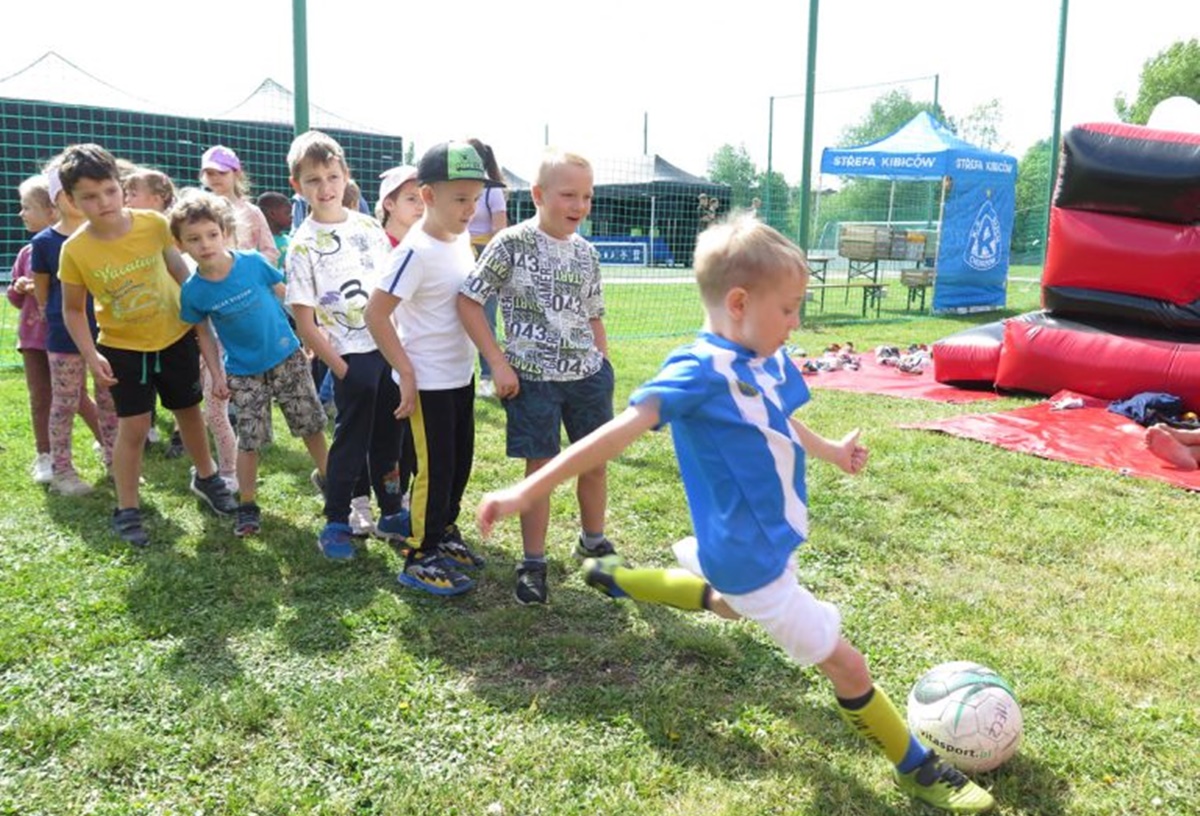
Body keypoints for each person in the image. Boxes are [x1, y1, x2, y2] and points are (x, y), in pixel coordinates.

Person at [476, 214, 996, 814]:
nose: (797, 322)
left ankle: (613, 577)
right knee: (847, 664)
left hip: (763, 544)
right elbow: (615, 434)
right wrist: (526, 490)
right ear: (740, 302)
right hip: (748, 558)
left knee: (725, 605)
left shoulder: (764, 354)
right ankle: (917, 768)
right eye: (790, 309)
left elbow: (776, 415)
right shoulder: (699, 371)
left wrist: (827, 449)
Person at [56, 143, 238, 547]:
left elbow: (180, 273)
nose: (102, 202)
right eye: (88, 196)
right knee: (134, 426)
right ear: (71, 200)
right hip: (123, 349)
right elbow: (72, 310)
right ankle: (128, 508)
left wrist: (205, 314)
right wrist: (91, 353)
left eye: (108, 190)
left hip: (175, 338)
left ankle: (207, 479)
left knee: (189, 412)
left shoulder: (154, 225)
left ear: (120, 187)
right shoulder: (75, 251)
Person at [459, 149, 616, 605]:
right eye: (568, 195)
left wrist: (602, 362)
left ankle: (594, 542)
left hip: (586, 377)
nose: (579, 205)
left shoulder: (587, 253)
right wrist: (498, 363)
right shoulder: (509, 243)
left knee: (595, 462)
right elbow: (470, 301)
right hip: (532, 379)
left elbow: (594, 314)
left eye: (586, 196)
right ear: (538, 194)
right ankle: (533, 562)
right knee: (540, 470)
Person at [365, 140, 498, 596]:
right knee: (435, 469)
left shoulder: (460, 239)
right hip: (427, 384)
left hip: (460, 375)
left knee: (459, 462)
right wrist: (406, 372)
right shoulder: (413, 252)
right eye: (459, 199)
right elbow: (375, 314)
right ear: (427, 196)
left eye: (475, 198)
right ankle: (420, 555)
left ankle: (443, 532)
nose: (469, 209)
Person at [175, 190, 330, 536]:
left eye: (212, 235)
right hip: (243, 373)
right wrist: (216, 375)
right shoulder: (193, 291)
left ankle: (330, 484)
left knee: (311, 426)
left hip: (286, 357)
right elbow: (203, 335)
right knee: (250, 440)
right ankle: (247, 504)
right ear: (181, 244)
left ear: (225, 231)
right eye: (194, 239)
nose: (205, 244)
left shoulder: (252, 263)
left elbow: (288, 297)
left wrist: (312, 335)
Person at [284, 129, 408, 560]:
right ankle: (337, 519)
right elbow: (304, 319)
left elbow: (391, 293)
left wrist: (400, 351)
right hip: (349, 359)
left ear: (345, 177)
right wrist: (342, 369)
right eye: (313, 180)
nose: (325, 187)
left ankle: (391, 509)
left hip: (389, 352)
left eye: (332, 176)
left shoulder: (370, 229)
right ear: (297, 186)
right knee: (351, 441)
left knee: (390, 436)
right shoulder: (302, 245)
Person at [31, 162, 118, 497]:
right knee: (65, 401)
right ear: (61, 197)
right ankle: (62, 470)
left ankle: (115, 462)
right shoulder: (45, 242)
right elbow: (43, 290)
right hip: (64, 337)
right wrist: (50, 314)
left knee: (109, 400)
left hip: (108, 333)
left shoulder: (103, 237)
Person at [6, 175, 59, 483]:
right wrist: (19, 287)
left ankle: (109, 448)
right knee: (39, 396)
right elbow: (14, 299)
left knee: (75, 398)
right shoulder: (26, 254)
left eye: (27, 207)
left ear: (52, 210)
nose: (21, 214)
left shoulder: (67, 248)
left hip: (61, 339)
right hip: (31, 340)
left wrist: (41, 287)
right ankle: (45, 456)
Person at [465, 138, 508, 399]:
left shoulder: (493, 191)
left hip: (484, 255)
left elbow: (499, 230)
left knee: (485, 317)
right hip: (458, 251)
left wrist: (482, 259)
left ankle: (487, 377)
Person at [200, 145, 279, 265]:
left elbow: (270, 251)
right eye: (210, 173)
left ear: (236, 173)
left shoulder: (252, 212)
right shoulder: (199, 211)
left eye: (222, 172)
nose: (216, 178)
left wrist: (249, 266)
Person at [375, 165, 424, 247]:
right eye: (411, 199)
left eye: (425, 199)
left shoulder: (427, 249)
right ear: (389, 204)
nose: (422, 207)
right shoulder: (374, 247)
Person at [256, 191, 293, 268]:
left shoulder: (290, 240)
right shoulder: (259, 244)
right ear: (272, 214)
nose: (291, 216)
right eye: (287, 212)